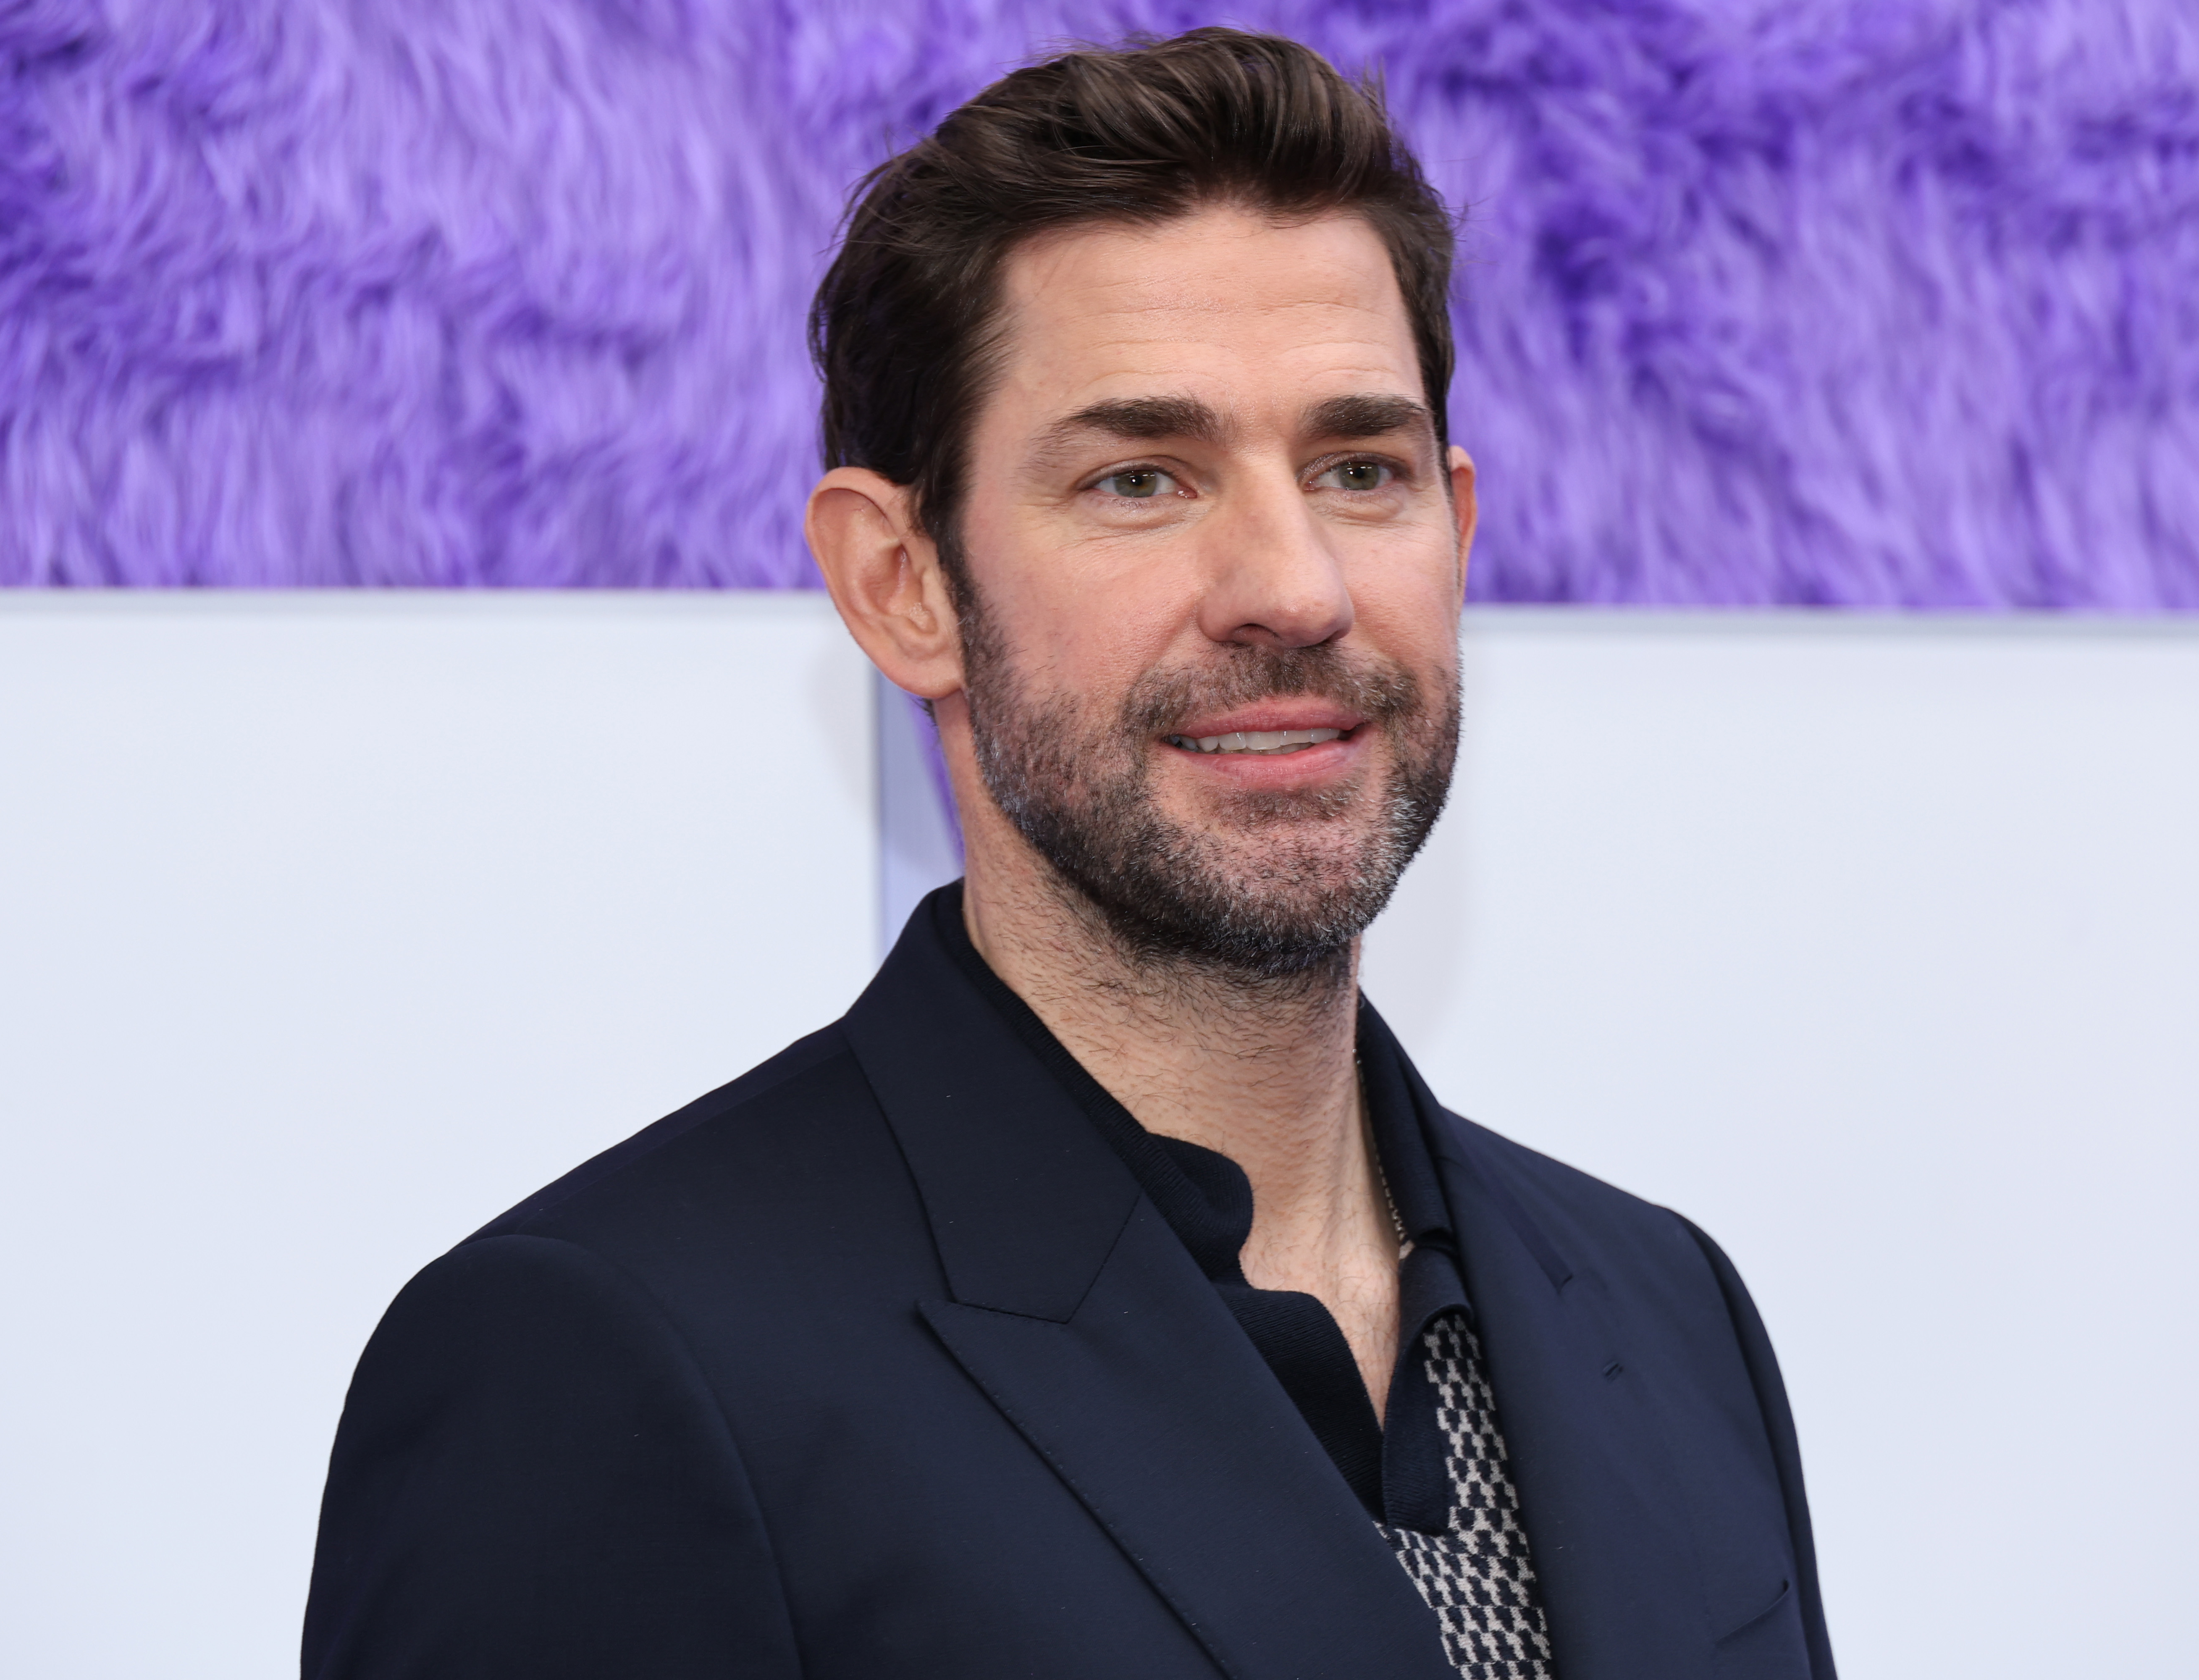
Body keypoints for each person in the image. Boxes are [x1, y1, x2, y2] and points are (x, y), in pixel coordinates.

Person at [301, 29, 1832, 1680]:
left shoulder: (1669, 1311)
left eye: (1358, 468)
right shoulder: (605, 1365)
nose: (1294, 585)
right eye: (1143, 477)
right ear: (904, 583)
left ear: (1457, 527)